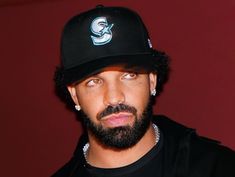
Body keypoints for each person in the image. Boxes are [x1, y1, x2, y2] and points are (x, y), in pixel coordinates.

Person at [52, 5, 235, 177]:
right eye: (94, 82)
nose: (114, 98)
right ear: (74, 95)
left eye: (129, 75)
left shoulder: (219, 168)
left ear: (152, 80)